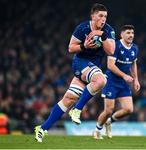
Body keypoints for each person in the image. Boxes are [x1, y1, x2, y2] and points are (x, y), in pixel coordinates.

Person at [35, 3, 115, 142]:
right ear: (93, 16)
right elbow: (71, 48)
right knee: (101, 80)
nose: (103, 19)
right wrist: (84, 46)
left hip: (92, 68)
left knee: (68, 99)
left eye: (105, 17)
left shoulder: (108, 30)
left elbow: (111, 51)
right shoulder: (82, 28)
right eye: (100, 16)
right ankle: (77, 110)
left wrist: (101, 36)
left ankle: (42, 128)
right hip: (80, 63)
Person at [93, 25, 140, 139]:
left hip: (123, 82)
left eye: (132, 33)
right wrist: (125, 76)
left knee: (129, 109)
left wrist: (136, 80)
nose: (131, 35)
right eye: (128, 33)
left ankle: (109, 121)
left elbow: (133, 64)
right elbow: (110, 65)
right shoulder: (116, 46)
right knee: (108, 110)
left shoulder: (135, 48)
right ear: (122, 34)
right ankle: (97, 130)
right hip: (111, 81)